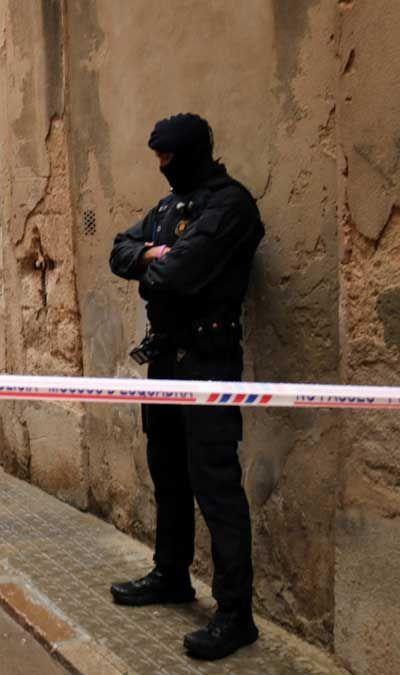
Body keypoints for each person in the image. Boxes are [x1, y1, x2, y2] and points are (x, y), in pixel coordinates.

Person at [108, 113, 265, 661]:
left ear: (193, 153)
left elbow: (180, 276)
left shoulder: (231, 205)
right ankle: (171, 573)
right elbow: (119, 252)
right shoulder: (170, 208)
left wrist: (156, 266)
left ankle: (235, 613)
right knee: (168, 473)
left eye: (168, 158)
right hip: (166, 361)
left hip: (208, 362)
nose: (161, 168)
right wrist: (152, 253)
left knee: (215, 484)